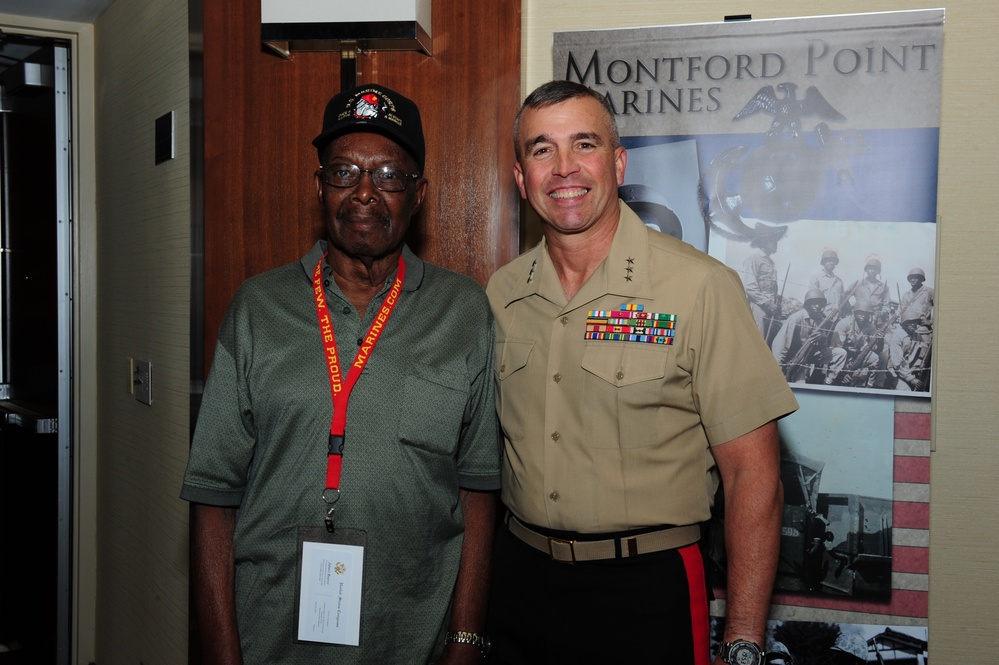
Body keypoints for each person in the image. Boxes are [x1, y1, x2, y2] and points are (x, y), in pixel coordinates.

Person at [181, 84, 500, 665]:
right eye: (343, 171)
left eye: (389, 175)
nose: (364, 193)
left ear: (419, 193)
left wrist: (466, 640)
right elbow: (212, 498)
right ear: (319, 187)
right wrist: (223, 655)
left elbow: (477, 489)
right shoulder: (257, 307)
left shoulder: (464, 311)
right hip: (270, 636)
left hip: (414, 639)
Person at [485, 80, 798, 665]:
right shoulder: (502, 294)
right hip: (520, 586)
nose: (564, 168)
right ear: (521, 177)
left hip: (647, 590)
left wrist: (744, 639)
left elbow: (755, 477)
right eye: (541, 149)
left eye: (584, 144)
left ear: (618, 161)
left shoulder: (700, 288)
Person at [771, 289, 837, 385]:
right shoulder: (796, 318)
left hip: (807, 357)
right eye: (814, 303)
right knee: (797, 384)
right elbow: (781, 344)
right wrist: (779, 367)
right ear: (807, 304)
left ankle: (823, 382)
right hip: (791, 358)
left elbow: (823, 347)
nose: (817, 306)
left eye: (819, 303)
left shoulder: (820, 321)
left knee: (839, 353)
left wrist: (821, 338)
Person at [828, 298, 883, 387]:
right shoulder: (844, 323)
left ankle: (869, 386)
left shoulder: (870, 326)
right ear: (855, 312)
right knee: (834, 378)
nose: (863, 316)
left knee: (876, 358)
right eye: (860, 313)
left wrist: (880, 339)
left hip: (858, 356)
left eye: (865, 314)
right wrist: (844, 372)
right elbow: (837, 349)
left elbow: (876, 349)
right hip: (842, 357)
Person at [742, 231, 784, 342]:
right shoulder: (753, 259)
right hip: (758, 305)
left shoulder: (770, 262)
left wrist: (775, 304)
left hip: (771, 307)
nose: (776, 244)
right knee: (758, 339)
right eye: (773, 241)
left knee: (773, 338)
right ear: (764, 242)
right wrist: (767, 303)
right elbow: (750, 287)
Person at [808, 249, 845, 318]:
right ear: (823, 262)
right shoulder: (816, 278)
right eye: (828, 260)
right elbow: (813, 300)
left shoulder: (839, 281)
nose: (831, 263)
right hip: (820, 316)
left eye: (833, 261)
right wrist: (823, 313)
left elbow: (842, 300)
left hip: (836, 318)